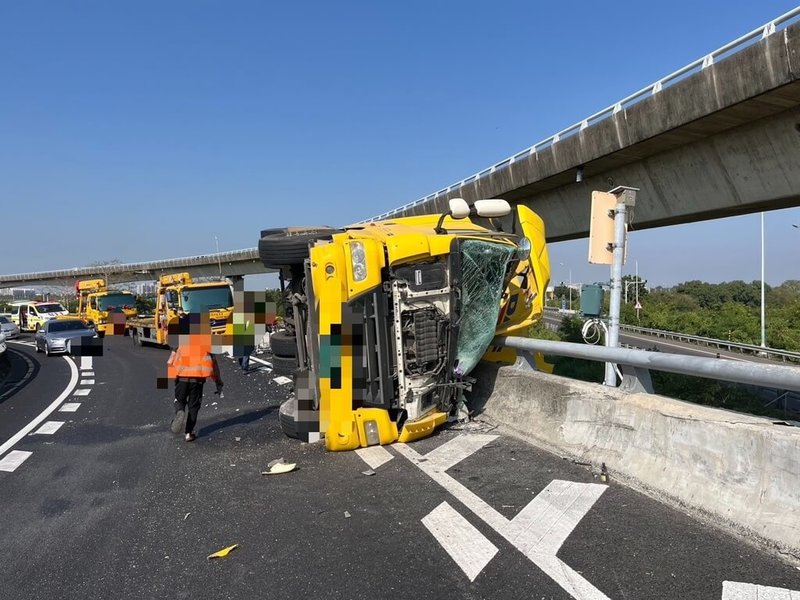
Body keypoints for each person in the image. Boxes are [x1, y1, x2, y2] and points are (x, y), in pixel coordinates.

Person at [167, 314, 223, 441]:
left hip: (182, 378)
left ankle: (180, 411)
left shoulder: (181, 342)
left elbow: (170, 362)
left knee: (179, 400)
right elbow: (214, 365)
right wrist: (218, 382)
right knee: (194, 406)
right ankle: (188, 433)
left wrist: (173, 375)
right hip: (198, 379)